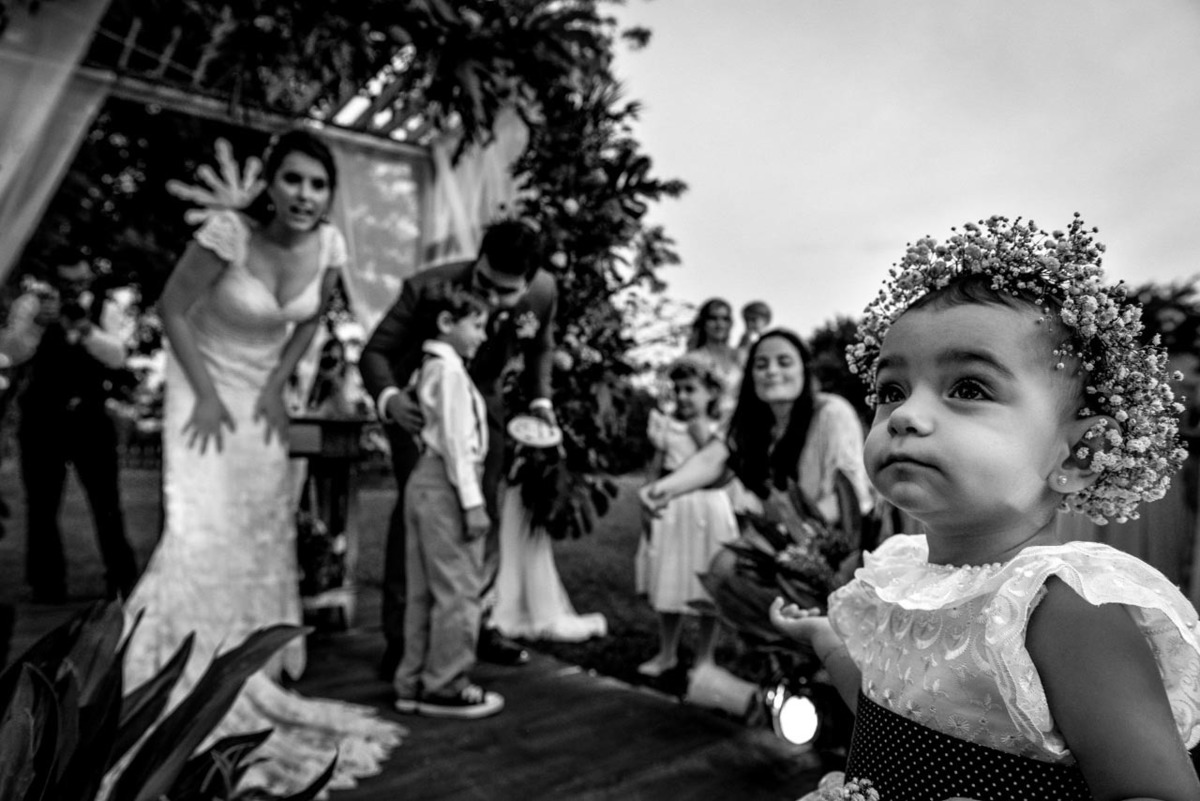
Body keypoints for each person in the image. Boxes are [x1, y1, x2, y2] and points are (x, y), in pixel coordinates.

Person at [778, 215, 1200, 801]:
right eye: (891, 391)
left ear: (1080, 453)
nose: (904, 416)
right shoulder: (896, 574)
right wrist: (824, 640)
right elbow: (887, 708)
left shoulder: (1060, 607)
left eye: (968, 389)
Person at [120, 130, 403, 794]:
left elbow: (312, 317)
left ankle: (246, 661)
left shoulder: (330, 245)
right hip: (204, 387)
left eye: (317, 183)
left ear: (329, 193)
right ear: (270, 184)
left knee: (257, 530)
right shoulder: (230, 232)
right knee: (203, 529)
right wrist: (211, 398)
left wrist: (279, 385)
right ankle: (173, 672)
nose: (305, 194)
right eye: (293, 179)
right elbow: (171, 307)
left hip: (264, 397)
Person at [359, 217, 558, 679]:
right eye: (483, 283)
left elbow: (541, 347)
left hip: (484, 410)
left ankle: (472, 623)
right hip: (420, 410)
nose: (490, 299)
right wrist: (391, 400)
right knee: (421, 518)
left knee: (480, 514)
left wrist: (541, 398)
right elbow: (375, 352)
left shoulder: (544, 291)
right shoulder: (427, 287)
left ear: (528, 283)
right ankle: (402, 639)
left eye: (505, 293)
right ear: (477, 258)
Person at [392, 284, 505, 718]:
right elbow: (458, 442)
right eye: (476, 325)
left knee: (424, 590)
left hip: (424, 480)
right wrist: (472, 503)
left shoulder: (427, 369)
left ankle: (413, 680)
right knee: (458, 589)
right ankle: (445, 684)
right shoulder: (452, 373)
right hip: (448, 483)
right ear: (446, 323)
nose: (482, 335)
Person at [0, 251, 138, 603]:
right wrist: (36, 325)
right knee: (42, 506)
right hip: (41, 418)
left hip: (90, 416)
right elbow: (12, 352)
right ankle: (47, 585)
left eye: (81, 283)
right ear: (54, 280)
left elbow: (119, 355)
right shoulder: (31, 306)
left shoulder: (106, 307)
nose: (75, 290)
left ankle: (121, 578)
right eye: (67, 284)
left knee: (107, 503)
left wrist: (86, 331)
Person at [635, 356, 738, 677]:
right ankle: (667, 652)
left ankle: (704, 659)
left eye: (690, 389)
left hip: (710, 509)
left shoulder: (721, 428)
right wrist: (649, 502)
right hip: (674, 509)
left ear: (711, 392)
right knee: (669, 575)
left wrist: (700, 436)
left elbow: (722, 470)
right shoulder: (665, 424)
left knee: (711, 582)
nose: (681, 396)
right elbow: (656, 468)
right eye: (677, 389)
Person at [684, 298, 742, 415]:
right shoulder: (692, 359)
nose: (719, 324)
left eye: (725, 319)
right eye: (713, 318)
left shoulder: (741, 356)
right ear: (703, 323)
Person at [735, 299, 771, 364]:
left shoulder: (772, 339)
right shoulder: (745, 340)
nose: (749, 324)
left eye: (753, 319)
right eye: (746, 320)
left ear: (765, 320)